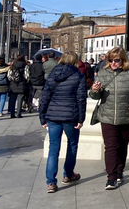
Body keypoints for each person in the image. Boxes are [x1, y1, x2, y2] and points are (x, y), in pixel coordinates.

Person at [90, 46, 129, 190]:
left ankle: (119, 170)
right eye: (110, 60)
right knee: (111, 147)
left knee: (123, 144)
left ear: (123, 60)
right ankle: (111, 178)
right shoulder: (102, 73)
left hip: (126, 115)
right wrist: (94, 90)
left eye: (116, 60)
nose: (113, 63)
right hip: (107, 115)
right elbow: (95, 96)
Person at [40, 51, 86, 194]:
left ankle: (51, 183)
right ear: (75, 61)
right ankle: (68, 175)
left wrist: (42, 116)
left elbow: (45, 96)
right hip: (70, 116)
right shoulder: (79, 76)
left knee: (53, 149)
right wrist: (81, 118)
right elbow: (81, 99)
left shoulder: (52, 74)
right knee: (72, 145)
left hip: (53, 116)